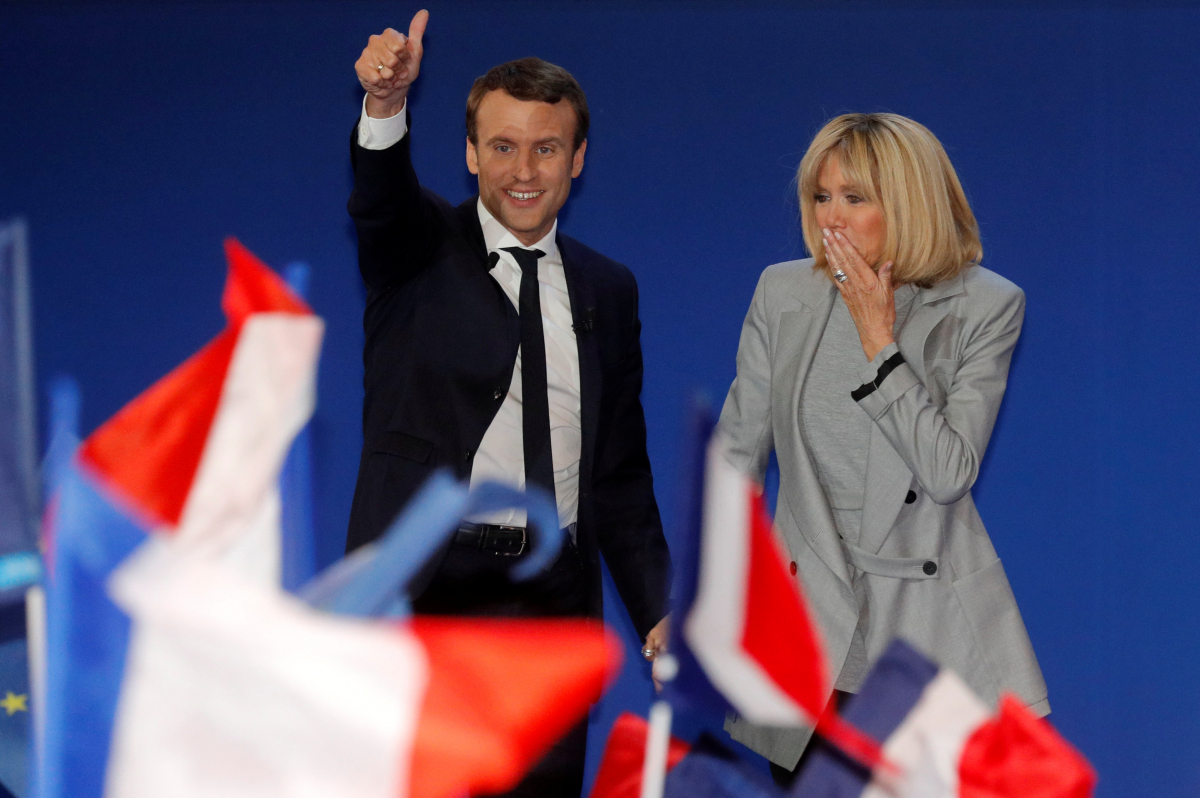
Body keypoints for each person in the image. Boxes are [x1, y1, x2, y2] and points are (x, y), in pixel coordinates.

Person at [345, 11, 670, 797]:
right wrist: (385, 105)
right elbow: (381, 201)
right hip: (433, 593)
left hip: (555, 603)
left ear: (577, 159)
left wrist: (658, 611)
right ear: (469, 153)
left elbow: (618, 475)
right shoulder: (418, 252)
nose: (523, 169)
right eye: (501, 146)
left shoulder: (609, 288)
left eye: (546, 147)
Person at [717, 112, 1048, 784]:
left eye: (855, 198)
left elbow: (948, 471)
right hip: (810, 631)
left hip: (928, 632)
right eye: (821, 196)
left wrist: (879, 342)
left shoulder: (985, 305)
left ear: (908, 203)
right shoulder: (783, 291)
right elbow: (736, 458)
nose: (832, 218)